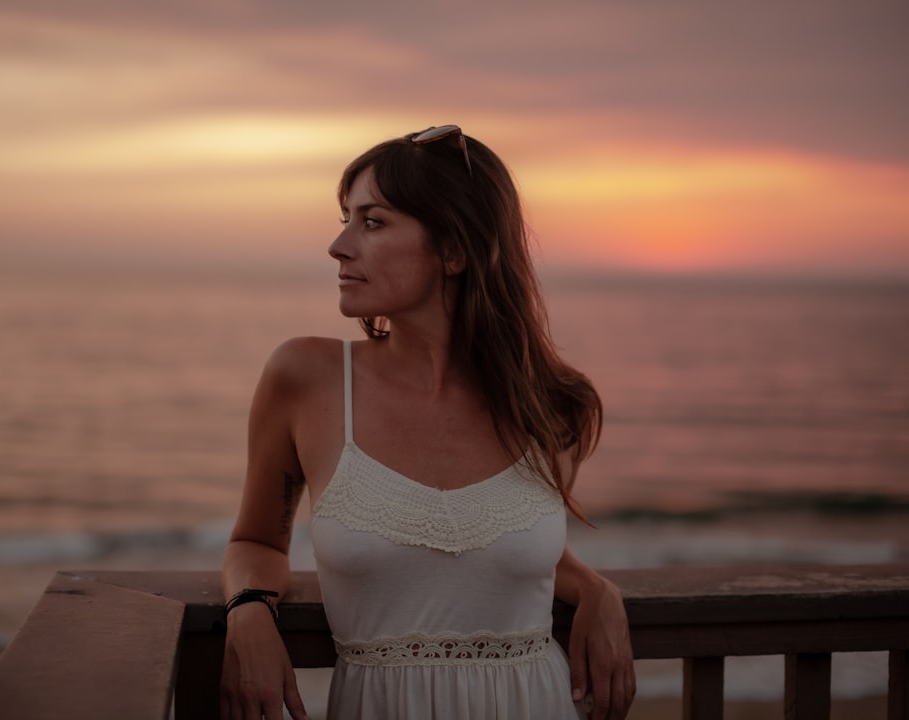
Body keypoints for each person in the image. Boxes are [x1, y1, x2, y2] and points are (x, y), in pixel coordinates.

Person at [220, 125, 635, 720]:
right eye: (347, 219)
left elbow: (502, 547)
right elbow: (256, 540)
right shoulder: (306, 379)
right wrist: (249, 610)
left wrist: (596, 588)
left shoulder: (552, 406)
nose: (338, 246)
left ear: (455, 251)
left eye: (372, 222)